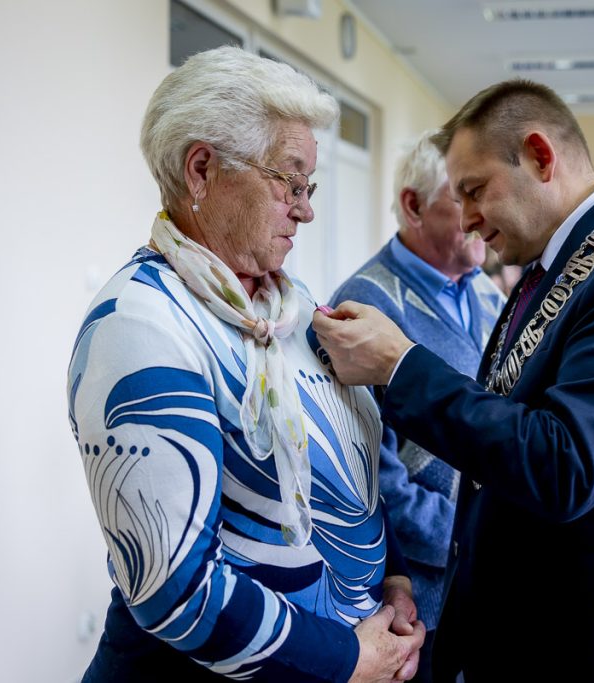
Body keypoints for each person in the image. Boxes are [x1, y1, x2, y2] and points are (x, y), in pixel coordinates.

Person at [312, 78, 594, 681]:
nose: (469, 218)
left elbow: (563, 465)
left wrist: (401, 365)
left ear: (539, 156)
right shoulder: (551, 270)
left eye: (475, 190)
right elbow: (501, 431)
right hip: (529, 630)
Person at [66, 47, 423, 682]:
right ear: (202, 170)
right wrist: (350, 658)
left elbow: (349, 476)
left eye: (309, 187)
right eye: (290, 182)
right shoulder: (141, 323)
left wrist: (392, 581)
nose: (305, 209)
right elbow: (175, 591)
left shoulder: (289, 306)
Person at [328, 130, 505, 682]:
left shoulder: (488, 292)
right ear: (413, 205)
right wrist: (473, 531)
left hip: (489, 577)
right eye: (465, 196)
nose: (481, 214)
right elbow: (368, 474)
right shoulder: (363, 304)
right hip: (421, 597)